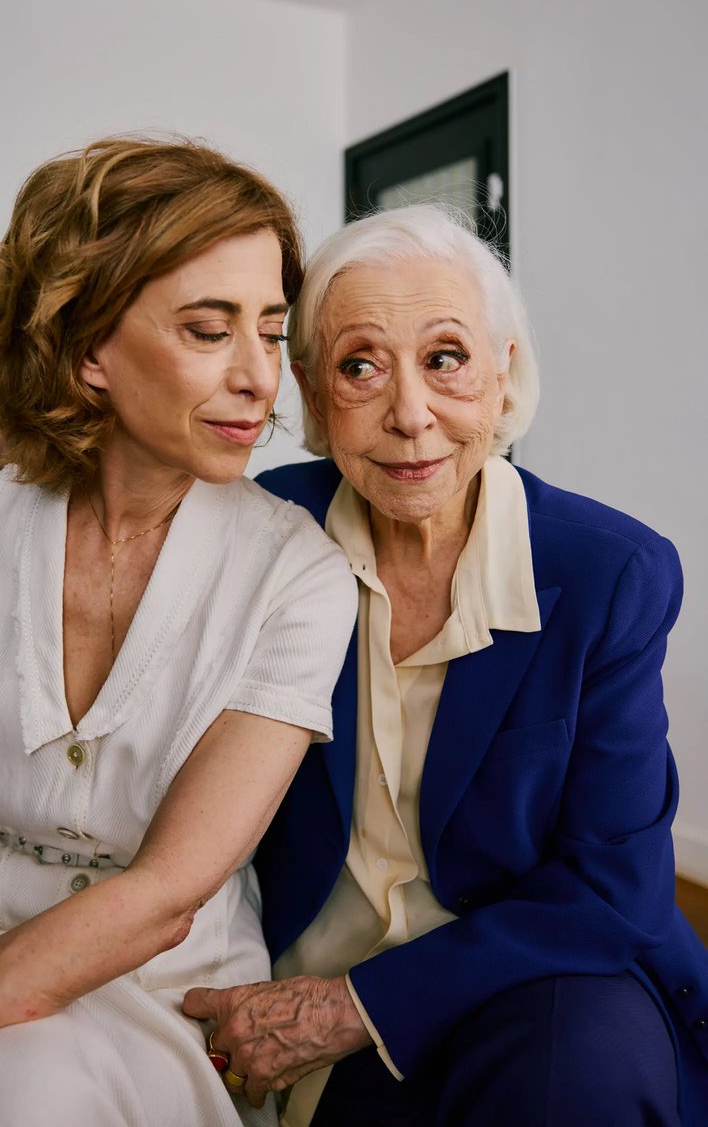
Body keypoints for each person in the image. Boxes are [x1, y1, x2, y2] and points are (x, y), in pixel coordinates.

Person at [0, 137, 357, 1127]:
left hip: (172, 989)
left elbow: (166, 892)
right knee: (6, 1082)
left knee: (20, 1089)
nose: (257, 377)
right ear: (86, 346)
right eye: (207, 329)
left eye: (271, 333)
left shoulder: (301, 575)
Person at [184, 204, 708, 1126]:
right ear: (311, 392)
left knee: (579, 1073)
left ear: (503, 379)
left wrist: (356, 1009)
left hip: (531, 976)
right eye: (360, 366)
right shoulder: (261, 532)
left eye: (446, 358)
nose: (411, 416)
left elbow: (610, 888)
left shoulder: (607, 572)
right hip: (303, 973)